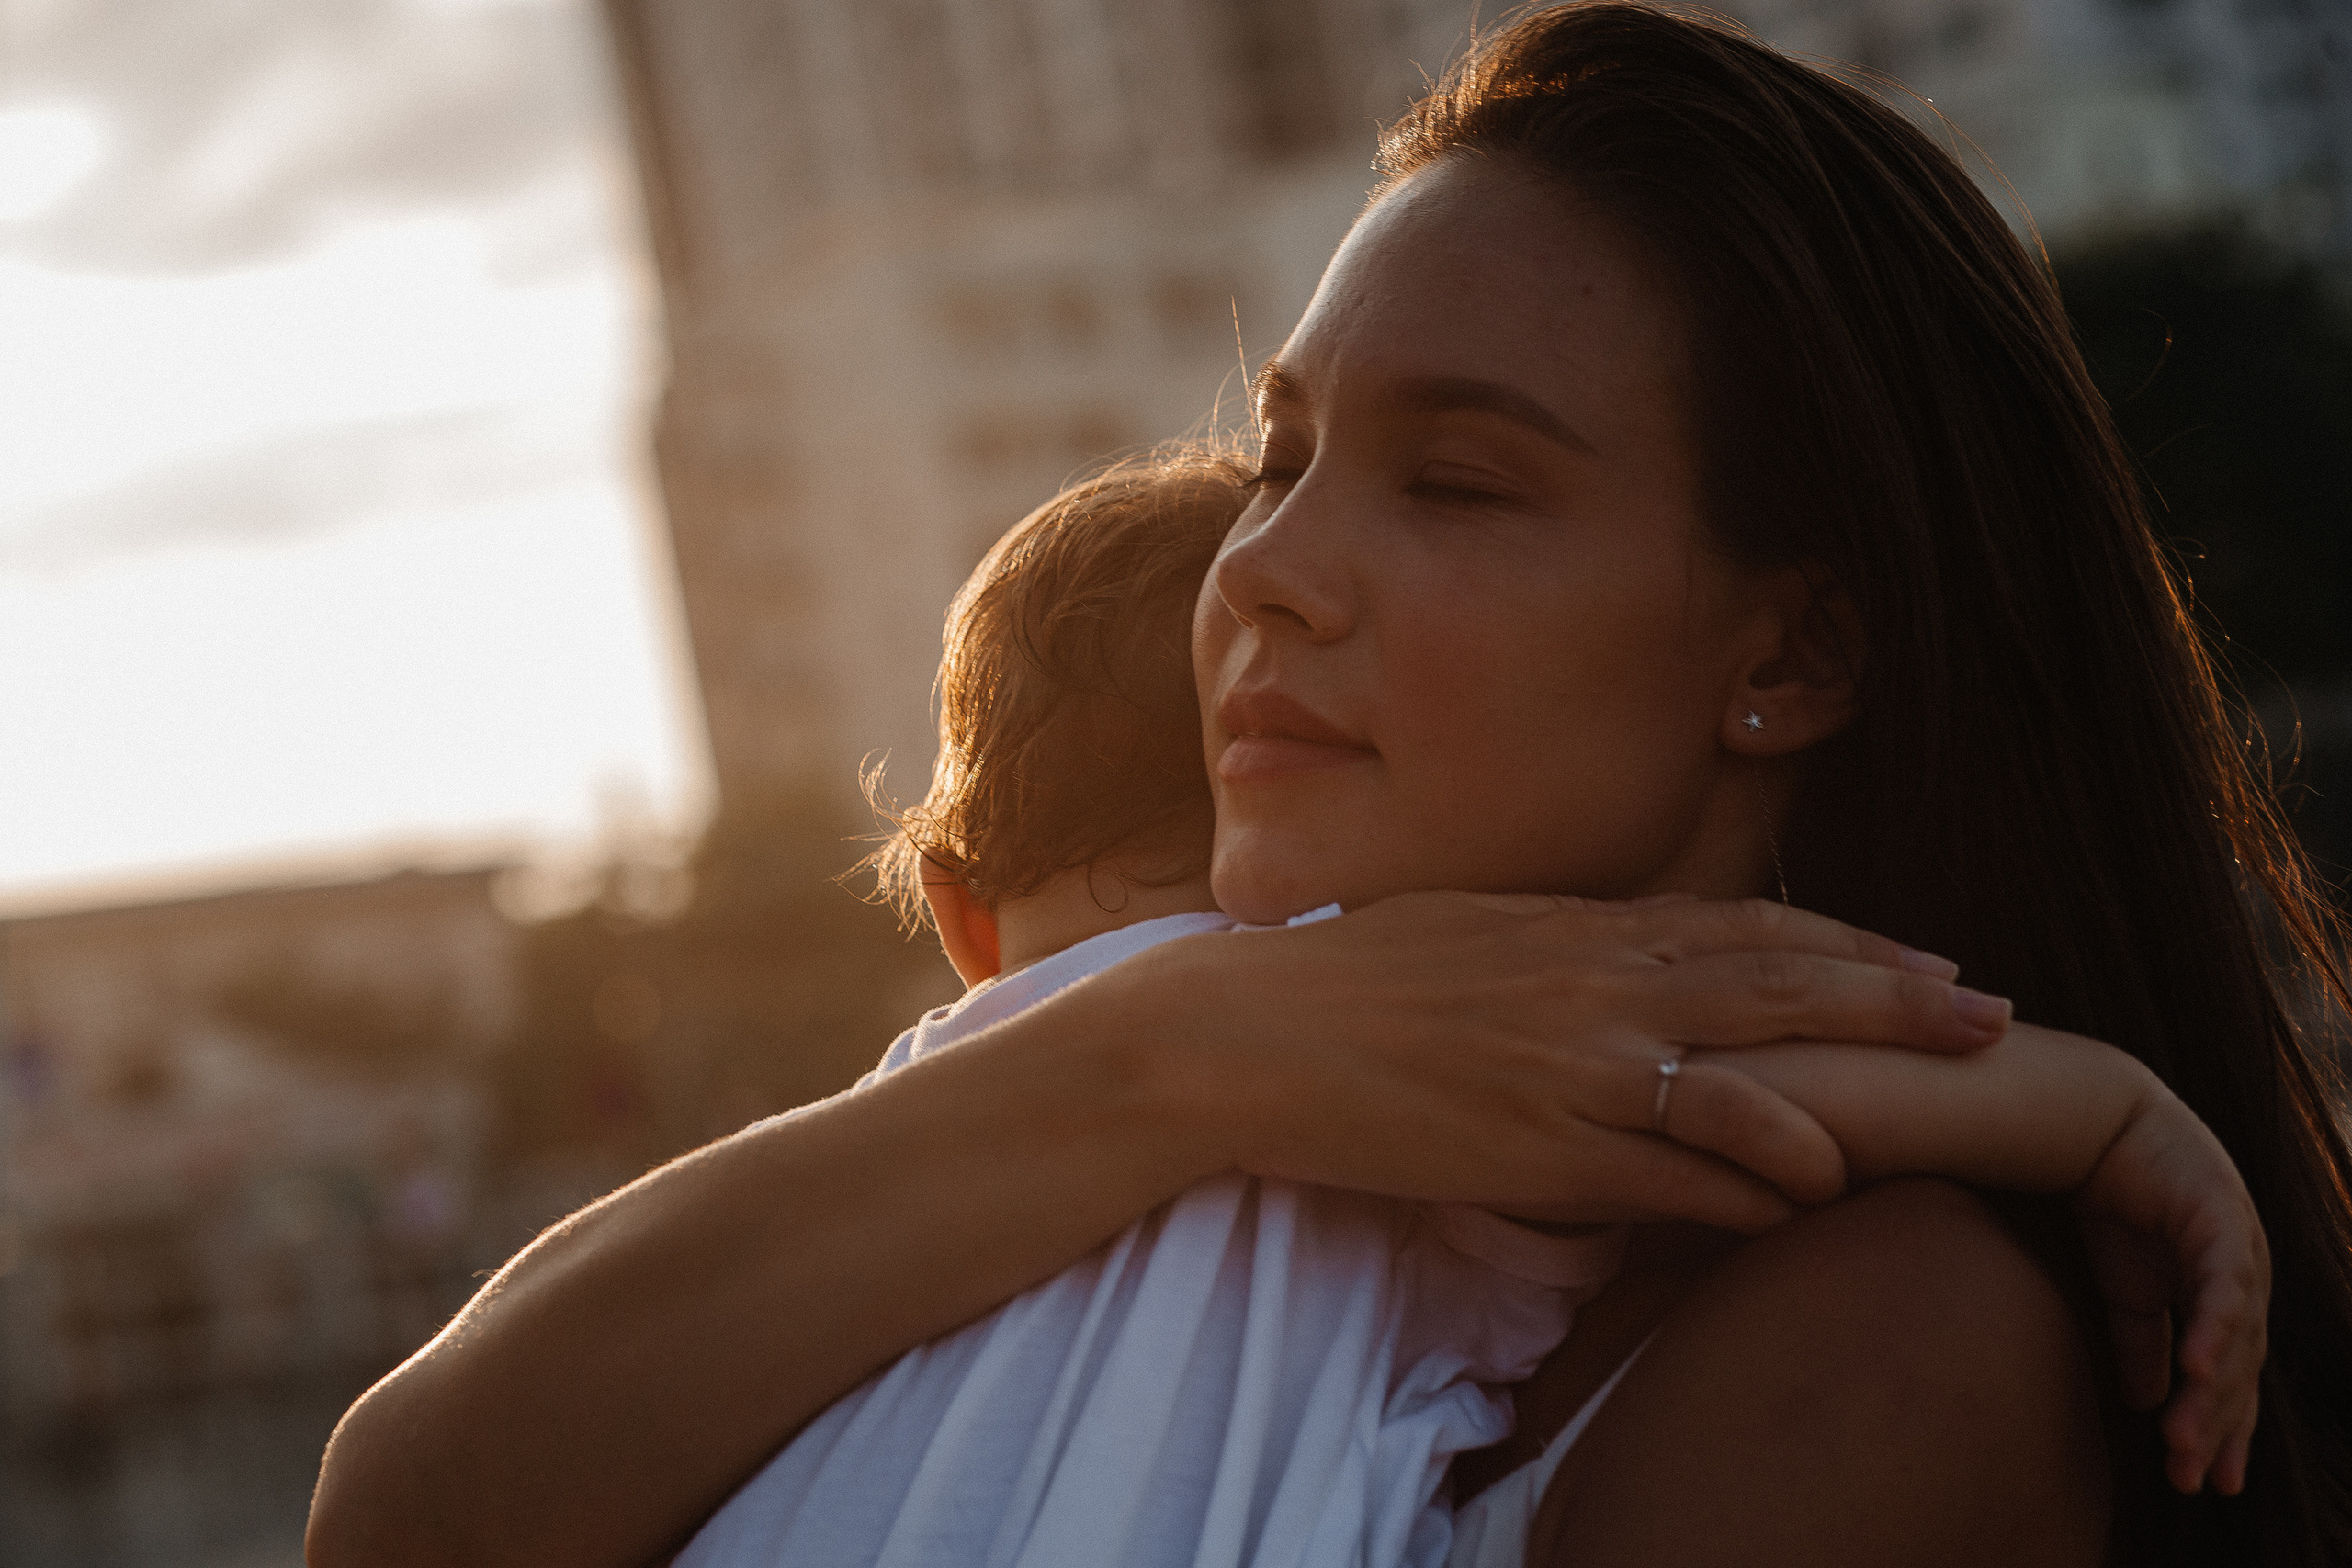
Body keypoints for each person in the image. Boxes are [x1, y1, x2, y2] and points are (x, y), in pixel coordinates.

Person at [305, 7, 2352, 1567]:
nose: (1262, 566)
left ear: (1791, 652)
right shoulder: (1178, 1091)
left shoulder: (1895, 1337)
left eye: (1453, 480)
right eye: (1278, 455)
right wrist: (1186, 1046)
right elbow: (407, 1505)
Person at [679, 446, 2260, 1568]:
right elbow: (1743, 1085)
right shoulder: (1393, 1068)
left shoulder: (882, 1146)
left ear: (961, 921)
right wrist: (2102, 1108)